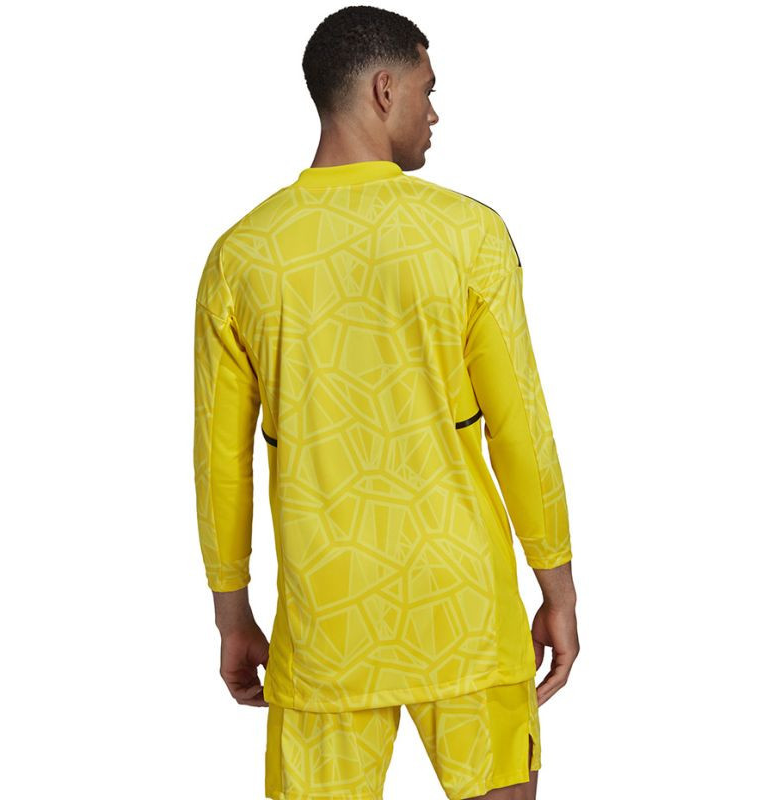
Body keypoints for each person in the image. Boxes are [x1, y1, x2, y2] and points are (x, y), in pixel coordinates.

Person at [192, 6, 579, 799]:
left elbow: (220, 460)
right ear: (383, 89)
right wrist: (558, 591)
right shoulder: (469, 235)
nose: (434, 113)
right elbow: (519, 428)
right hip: (463, 605)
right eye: (428, 90)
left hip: (325, 614)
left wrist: (232, 614)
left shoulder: (243, 256)